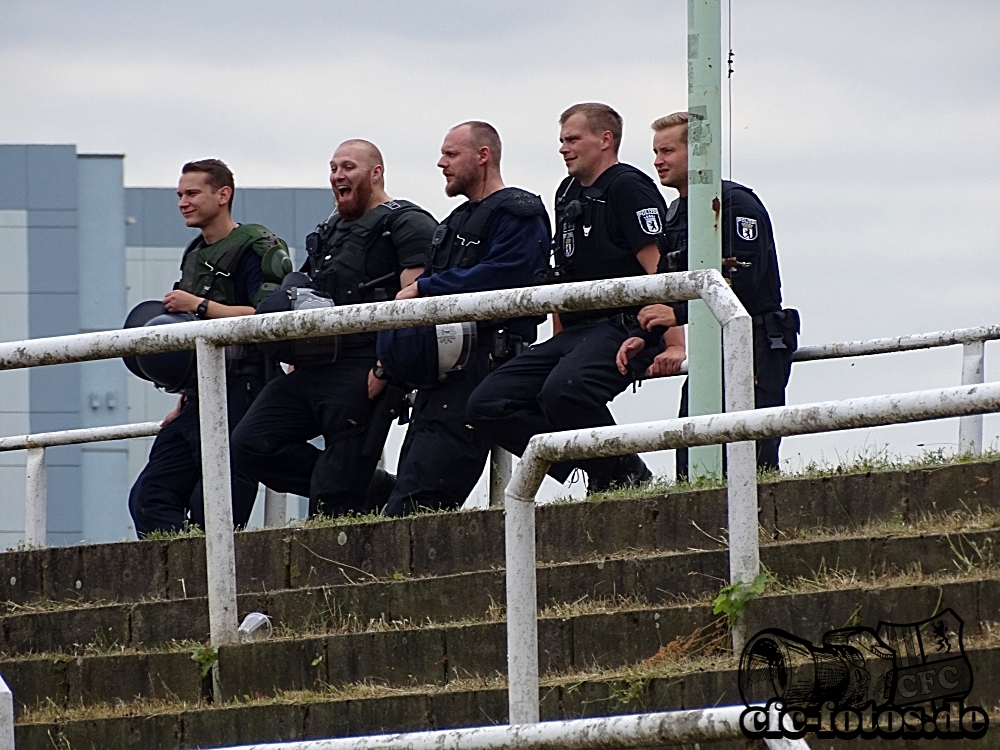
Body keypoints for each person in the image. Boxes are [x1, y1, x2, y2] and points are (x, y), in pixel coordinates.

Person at [467, 103, 677, 493]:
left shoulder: (628, 186)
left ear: (605, 139)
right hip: (576, 330)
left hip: (624, 325)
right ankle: (606, 467)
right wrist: (556, 343)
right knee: (487, 403)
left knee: (565, 390)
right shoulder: (566, 192)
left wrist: (673, 340)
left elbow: (658, 269)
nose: (564, 148)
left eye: (573, 139)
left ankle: (618, 475)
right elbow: (564, 277)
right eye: (562, 140)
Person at [231, 140, 436, 517]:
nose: (338, 176)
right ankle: (373, 490)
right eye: (333, 168)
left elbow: (418, 305)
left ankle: (348, 490)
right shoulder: (330, 229)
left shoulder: (406, 222)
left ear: (376, 173)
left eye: (348, 167)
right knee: (250, 444)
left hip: (366, 367)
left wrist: (386, 368)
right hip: (314, 367)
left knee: (333, 498)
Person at [380, 121, 550, 517]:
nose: (441, 163)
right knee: (409, 484)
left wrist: (425, 289)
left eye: (451, 154)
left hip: (485, 366)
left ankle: (611, 467)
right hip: (439, 377)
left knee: (420, 501)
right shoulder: (455, 223)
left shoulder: (517, 212)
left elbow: (507, 275)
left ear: (483, 156)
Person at [616, 112, 799, 477]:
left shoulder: (734, 204)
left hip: (755, 344)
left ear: (698, 153)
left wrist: (678, 314)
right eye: (655, 151)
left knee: (752, 458)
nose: (657, 161)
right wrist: (642, 335)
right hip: (711, 348)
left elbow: (742, 282)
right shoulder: (675, 212)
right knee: (693, 454)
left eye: (667, 150)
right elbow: (665, 285)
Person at [129, 159, 292, 536]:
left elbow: (266, 318)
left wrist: (199, 306)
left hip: (244, 389)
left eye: (192, 193)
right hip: (199, 393)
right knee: (149, 495)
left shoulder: (256, 246)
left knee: (216, 499)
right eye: (179, 195)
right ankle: (176, 578)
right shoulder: (194, 254)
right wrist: (183, 396)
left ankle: (214, 582)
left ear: (223, 195)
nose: (183, 202)